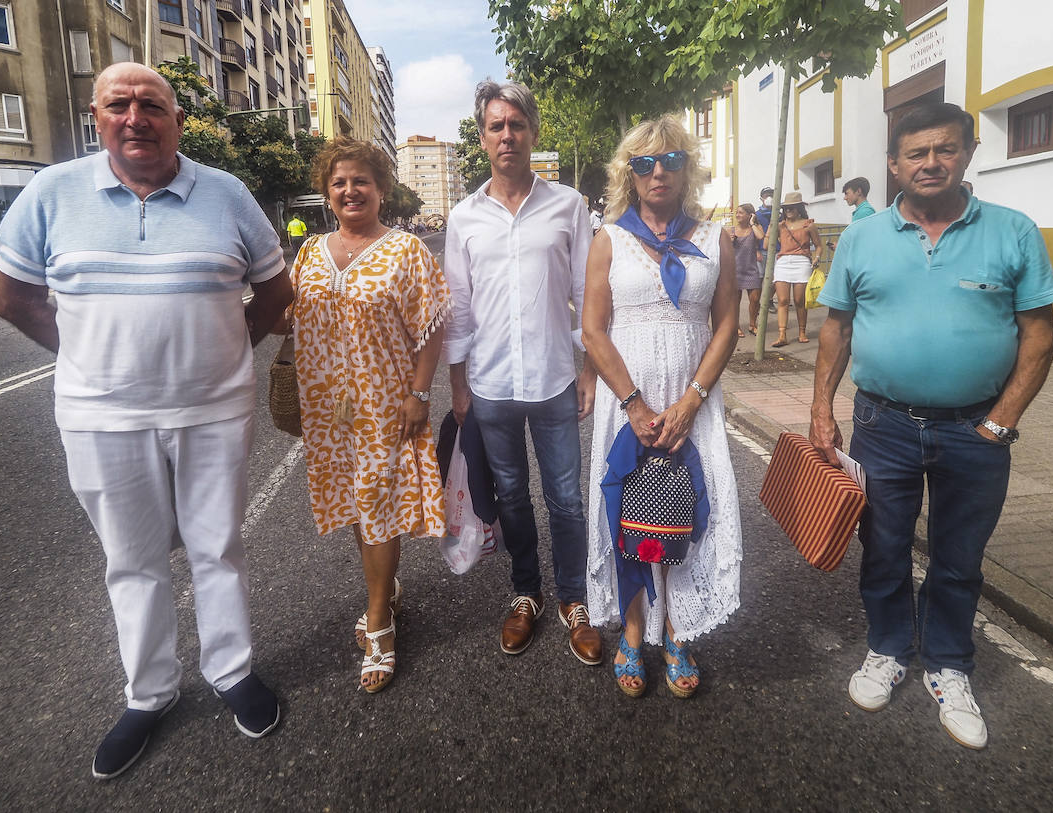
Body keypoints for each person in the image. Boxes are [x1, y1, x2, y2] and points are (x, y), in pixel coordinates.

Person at [0, 63, 291, 780]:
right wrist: (91, 357)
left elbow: (277, 291)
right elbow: (12, 298)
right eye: (119, 104)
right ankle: (149, 692)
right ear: (95, 116)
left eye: (151, 104)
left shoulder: (227, 194)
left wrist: (222, 353)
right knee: (133, 559)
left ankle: (232, 670)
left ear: (177, 119)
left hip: (213, 407)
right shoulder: (51, 193)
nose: (136, 117)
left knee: (218, 546)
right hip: (101, 415)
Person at [810, 102, 1053, 750]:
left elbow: (1040, 338)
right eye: (916, 153)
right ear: (894, 165)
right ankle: (889, 648)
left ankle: (949, 665)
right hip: (882, 424)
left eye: (944, 149)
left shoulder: (1012, 232)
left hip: (975, 431)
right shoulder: (862, 237)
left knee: (958, 560)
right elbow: (836, 327)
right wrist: (820, 408)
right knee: (885, 548)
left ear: (968, 154)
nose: (931, 162)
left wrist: (1001, 422)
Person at [581, 115, 743, 699]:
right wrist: (634, 404)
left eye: (671, 161)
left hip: (692, 396)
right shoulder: (609, 238)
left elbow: (726, 324)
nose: (658, 173)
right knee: (628, 511)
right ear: (630, 171)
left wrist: (691, 401)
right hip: (627, 400)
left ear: (687, 169)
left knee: (689, 508)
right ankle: (632, 630)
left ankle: (676, 629)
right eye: (645, 162)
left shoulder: (713, 238)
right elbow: (594, 331)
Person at [443, 80, 602, 666]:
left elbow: (588, 293)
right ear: (482, 137)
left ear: (533, 132)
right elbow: (458, 305)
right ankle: (526, 593)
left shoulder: (569, 205)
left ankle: (575, 602)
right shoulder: (464, 217)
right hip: (489, 384)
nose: (506, 134)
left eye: (516, 124)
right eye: (495, 125)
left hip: (555, 377)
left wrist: (590, 371)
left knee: (566, 498)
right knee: (510, 496)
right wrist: (458, 385)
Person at [287, 137, 450, 693]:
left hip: (385, 402)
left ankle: (379, 620)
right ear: (326, 191)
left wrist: (419, 394)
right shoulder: (309, 253)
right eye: (339, 182)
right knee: (358, 503)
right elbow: (291, 314)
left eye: (361, 181)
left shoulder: (406, 252)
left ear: (381, 190)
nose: (350, 190)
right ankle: (388, 590)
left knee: (378, 503)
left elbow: (432, 325)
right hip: (328, 407)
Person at [768, 192, 823, 347]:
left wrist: (816, 258)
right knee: (783, 300)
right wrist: (770, 228)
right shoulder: (780, 225)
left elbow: (819, 245)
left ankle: (802, 332)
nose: (789, 211)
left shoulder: (809, 224)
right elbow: (766, 245)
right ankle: (782, 334)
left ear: (799, 208)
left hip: (802, 262)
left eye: (792, 207)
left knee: (800, 300)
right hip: (783, 262)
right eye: (786, 208)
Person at [730, 203, 765, 338]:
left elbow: (761, 237)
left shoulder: (755, 228)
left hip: (751, 269)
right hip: (735, 270)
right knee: (735, 301)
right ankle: (736, 326)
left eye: (741, 213)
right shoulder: (732, 230)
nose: (737, 215)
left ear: (749, 215)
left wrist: (752, 223)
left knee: (755, 299)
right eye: (737, 212)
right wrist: (730, 240)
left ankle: (752, 324)